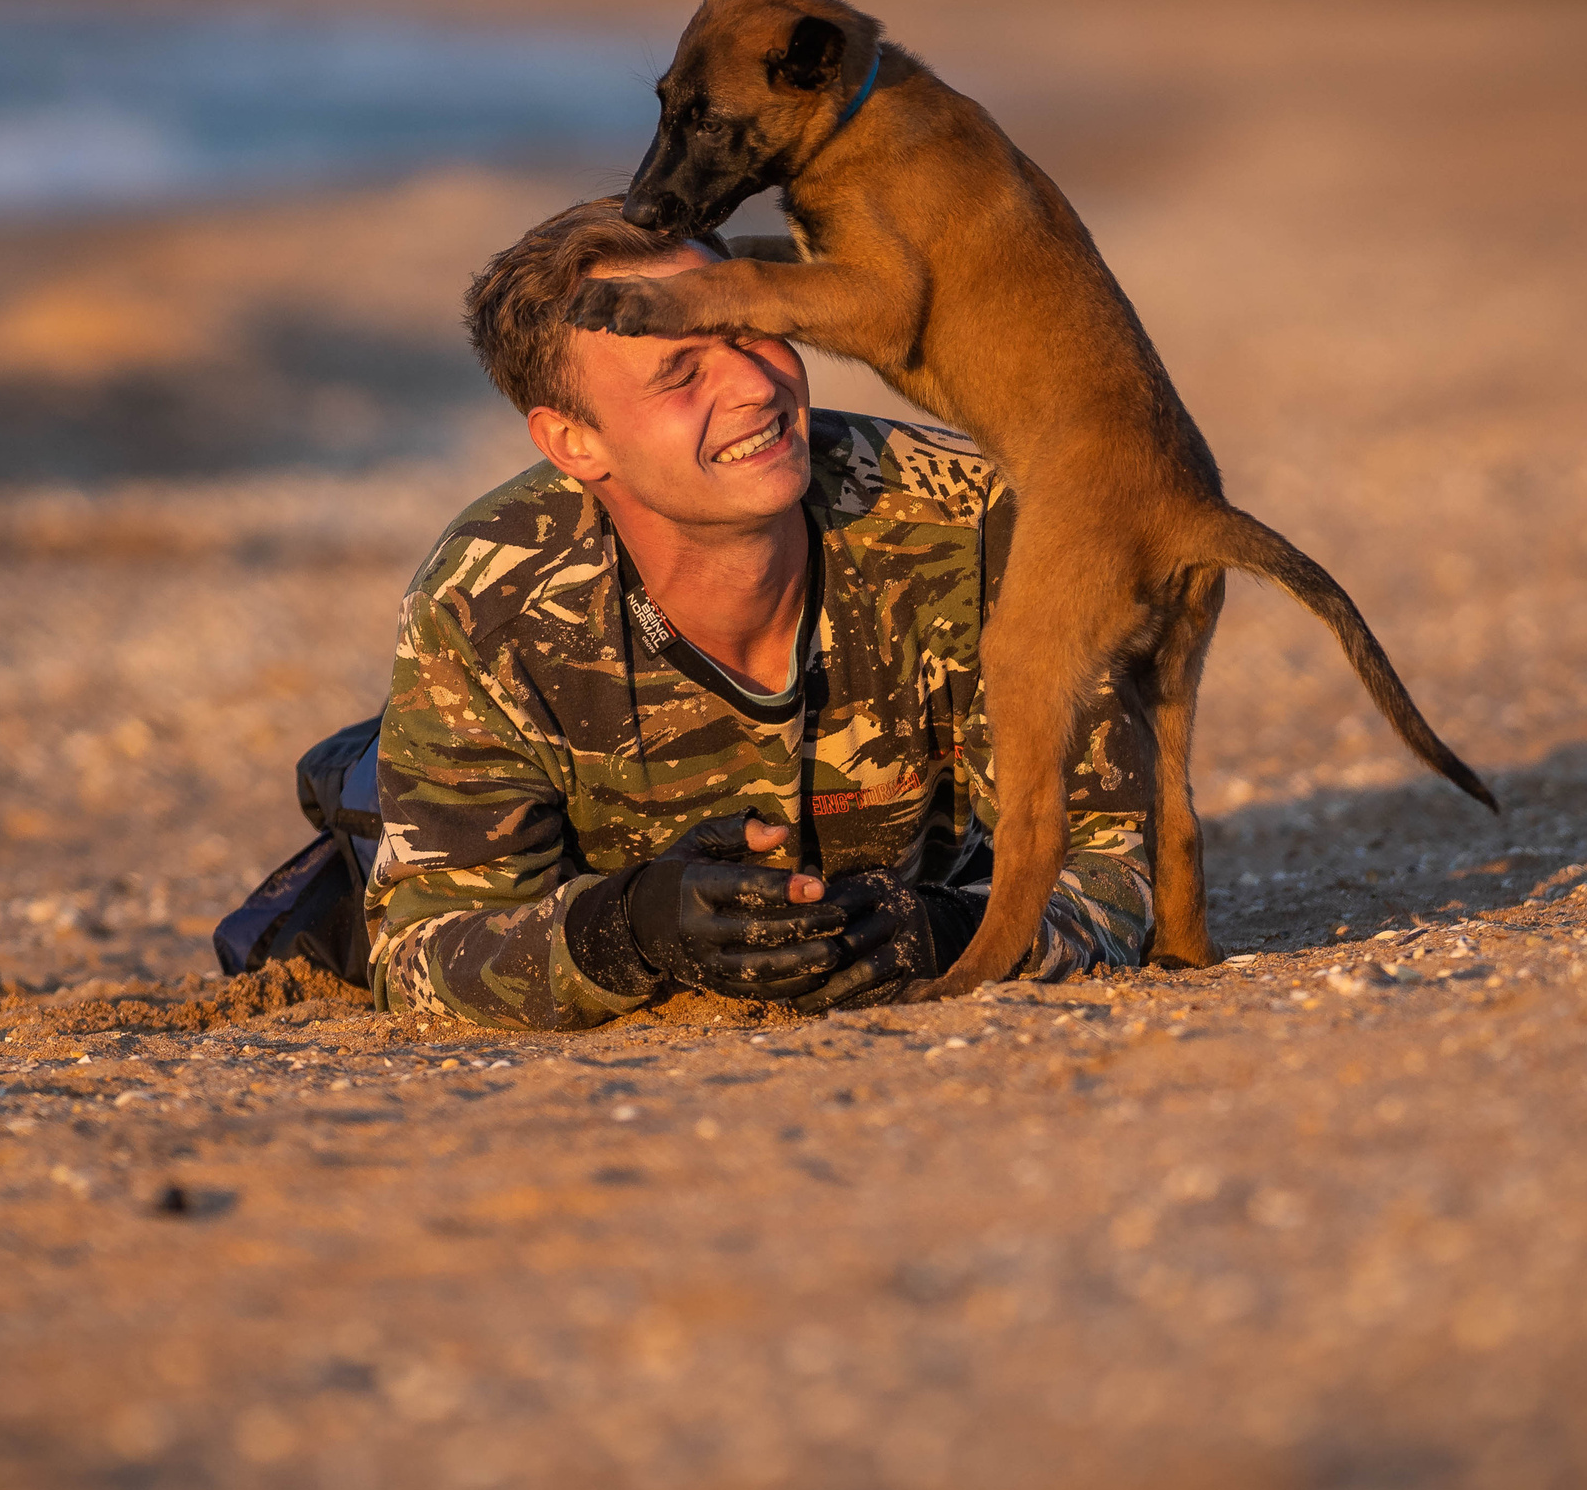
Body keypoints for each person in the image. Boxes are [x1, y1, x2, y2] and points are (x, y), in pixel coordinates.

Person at [220, 196, 1155, 1030]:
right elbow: (421, 955)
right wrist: (627, 929)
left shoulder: (975, 522)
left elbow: (1118, 862)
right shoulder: (489, 603)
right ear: (575, 441)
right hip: (549, 845)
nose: (754, 385)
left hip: (918, 868)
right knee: (345, 859)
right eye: (680, 374)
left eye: (749, 329)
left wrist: (951, 929)